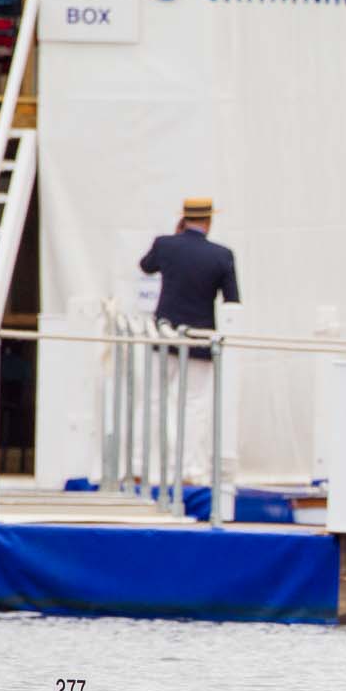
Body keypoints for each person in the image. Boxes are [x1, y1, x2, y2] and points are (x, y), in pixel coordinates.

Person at [138, 197, 240, 488]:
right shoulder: (222, 255)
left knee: (157, 400)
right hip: (199, 338)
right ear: (209, 221)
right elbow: (233, 300)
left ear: (184, 219)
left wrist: (175, 234)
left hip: (165, 333)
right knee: (194, 405)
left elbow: (146, 266)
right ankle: (189, 467)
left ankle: (154, 466)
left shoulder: (165, 245)